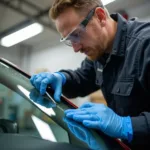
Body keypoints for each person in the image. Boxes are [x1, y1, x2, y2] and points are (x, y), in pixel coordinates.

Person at [30, 0, 150, 149]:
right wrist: (62, 79)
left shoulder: (145, 45)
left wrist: (127, 126)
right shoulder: (100, 52)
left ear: (100, 17)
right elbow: (82, 78)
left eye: (76, 35)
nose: (75, 48)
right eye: (69, 41)